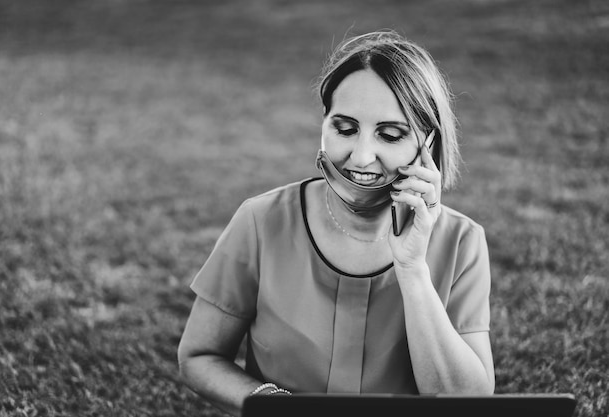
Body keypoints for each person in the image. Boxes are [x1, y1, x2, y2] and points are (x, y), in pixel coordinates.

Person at [178, 29, 495, 416]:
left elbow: (469, 405)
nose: (361, 157)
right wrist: (274, 406)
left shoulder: (463, 242)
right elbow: (200, 356)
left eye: (391, 135)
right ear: (323, 123)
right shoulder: (261, 221)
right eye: (344, 129)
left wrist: (412, 270)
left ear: (427, 143)